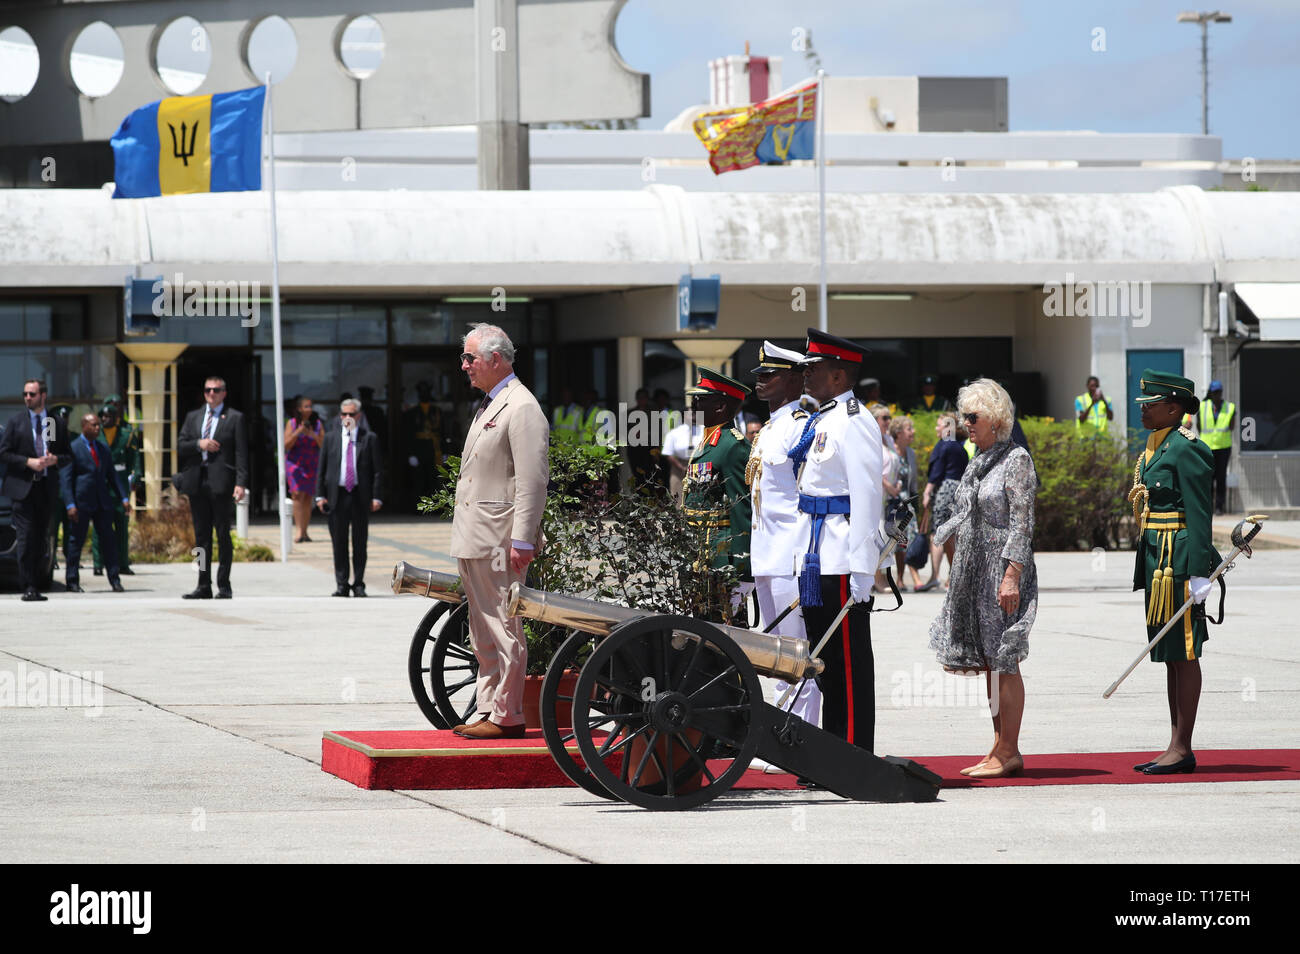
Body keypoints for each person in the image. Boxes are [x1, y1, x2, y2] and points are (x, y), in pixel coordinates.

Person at [928, 379, 1039, 779]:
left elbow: (1022, 523)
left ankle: (1008, 750)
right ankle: (999, 746)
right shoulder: (979, 460)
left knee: (1005, 660)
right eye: (964, 417)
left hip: (1003, 571)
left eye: (973, 417)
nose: (966, 424)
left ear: (996, 420)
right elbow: (966, 512)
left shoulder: (1016, 460)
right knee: (991, 661)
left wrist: (1012, 574)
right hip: (976, 571)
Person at [449, 324, 549, 740]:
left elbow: (533, 479)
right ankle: (489, 708)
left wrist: (523, 539)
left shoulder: (521, 406)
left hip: (500, 538)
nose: (465, 365)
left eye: (471, 358)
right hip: (477, 534)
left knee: (504, 627)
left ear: (496, 359)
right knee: (482, 626)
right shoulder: (492, 402)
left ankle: (507, 715)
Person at [792, 329, 883, 753]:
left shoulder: (855, 422)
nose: (806, 375)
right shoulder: (824, 418)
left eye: (815, 369)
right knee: (825, 663)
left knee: (848, 664)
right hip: (815, 557)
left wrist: (864, 570)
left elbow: (866, 499)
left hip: (842, 559)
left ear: (838, 375)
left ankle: (852, 752)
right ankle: (833, 750)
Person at [1129, 370, 1218, 775]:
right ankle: (1174, 743)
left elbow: (1200, 515)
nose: (1144, 410)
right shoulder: (1155, 445)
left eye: (1151, 404)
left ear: (1174, 407)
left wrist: (1200, 574)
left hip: (1179, 563)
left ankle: (1182, 746)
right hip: (1157, 561)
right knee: (1169, 653)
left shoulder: (1186, 449)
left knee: (1184, 651)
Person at [746, 342, 821, 729]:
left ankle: (802, 733)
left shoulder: (803, 427)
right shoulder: (771, 429)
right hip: (766, 555)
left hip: (791, 557)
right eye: (759, 376)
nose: (761, 383)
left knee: (796, 652)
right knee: (774, 653)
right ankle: (781, 733)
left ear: (793, 380)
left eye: (769, 376)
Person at [682, 368, 753, 621]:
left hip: (722, 555)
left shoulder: (733, 445)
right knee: (702, 622)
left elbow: (741, 510)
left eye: (702, 399)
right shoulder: (708, 441)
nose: (694, 404)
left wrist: (741, 570)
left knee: (725, 626)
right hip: (701, 553)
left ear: (722, 406)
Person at [176, 376, 248, 599]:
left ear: (224, 393)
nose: (211, 394)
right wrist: (200, 444)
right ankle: (202, 584)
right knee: (201, 538)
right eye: (208, 390)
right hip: (198, 481)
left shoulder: (235, 418)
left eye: (216, 390)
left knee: (223, 534)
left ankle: (224, 585)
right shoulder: (193, 417)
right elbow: (180, 445)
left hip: (221, 482)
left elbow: (241, 453)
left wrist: (241, 483)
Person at [0, 379, 71, 601]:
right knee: (25, 537)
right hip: (23, 489)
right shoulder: (16, 423)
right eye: (25, 394)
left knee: (40, 538)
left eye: (32, 394)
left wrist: (54, 459)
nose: (27, 398)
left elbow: (68, 456)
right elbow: (4, 454)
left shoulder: (54, 423)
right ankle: (28, 586)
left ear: (43, 396)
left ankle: (36, 583)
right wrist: (28, 462)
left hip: (45, 489)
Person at [315, 399, 383, 597]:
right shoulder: (330, 438)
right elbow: (322, 470)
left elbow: (377, 471)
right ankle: (342, 584)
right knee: (339, 542)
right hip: (337, 495)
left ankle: (359, 583)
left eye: (351, 414)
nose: (347, 418)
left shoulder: (369, 438)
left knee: (359, 542)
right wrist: (320, 495)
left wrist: (377, 497)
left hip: (360, 496)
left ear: (359, 416)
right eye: (343, 414)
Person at [60, 413, 130, 593]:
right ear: (84, 426)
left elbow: (112, 476)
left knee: (109, 542)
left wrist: (123, 498)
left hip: (102, 503)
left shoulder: (102, 448)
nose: (98, 428)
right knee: (76, 542)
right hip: (81, 503)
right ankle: (72, 581)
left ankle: (114, 579)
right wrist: (70, 504)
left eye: (98, 425)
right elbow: (66, 480)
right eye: (93, 425)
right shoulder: (73, 448)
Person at [918, 413, 969, 591]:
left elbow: (936, 472)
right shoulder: (959, 447)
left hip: (945, 489)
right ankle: (953, 577)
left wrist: (927, 492)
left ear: (949, 427)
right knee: (951, 535)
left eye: (940, 425)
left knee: (938, 533)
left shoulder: (944, 446)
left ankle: (934, 576)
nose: (937, 428)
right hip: (959, 491)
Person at [91, 402, 140, 577]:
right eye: (103, 417)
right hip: (101, 486)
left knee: (121, 526)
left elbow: (134, 457)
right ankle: (98, 563)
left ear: (116, 418)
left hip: (119, 486)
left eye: (109, 416)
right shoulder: (96, 437)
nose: (105, 420)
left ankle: (123, 563)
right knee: (99, 527)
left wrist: (136, 475)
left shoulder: (126, 435)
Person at [888, 414, 922, 591]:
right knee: (888, 543)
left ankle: (900, 579)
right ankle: (884, 579)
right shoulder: (888, 451)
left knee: (903, 543)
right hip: (890, 504)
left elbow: (913, 482)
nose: (913, 432)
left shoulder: (910, 453)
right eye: (909, 429)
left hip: (906, 504)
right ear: (898, 432)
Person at [285, 396, 324, 543]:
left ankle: (305, 532)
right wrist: (298, 431)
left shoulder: (318, 424)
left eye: (310, 406)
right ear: (299, 409)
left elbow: (323, 444)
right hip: (295, 464)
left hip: (311, 463)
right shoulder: (292, 423)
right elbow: (286, 444)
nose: (309, 409)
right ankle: (298, 531)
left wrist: (312, 434)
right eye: (306, 406)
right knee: (297, 495)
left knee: (307, 497)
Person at [1196, 380, 1235, 515]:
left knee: (1221, 478)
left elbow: (1232, 426)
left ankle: (1219, 507)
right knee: (1208, 478)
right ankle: (1209, 506)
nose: (1217, 395)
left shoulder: (1229, 407)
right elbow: (1199, 425)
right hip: (1207, 447)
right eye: (1214, 393)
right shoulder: (1203, 406)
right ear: (1210, 393)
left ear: (1221, 393)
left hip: (1223, 447)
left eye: (1219, 392)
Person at [401, 381, 442, 510]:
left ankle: (435, 508)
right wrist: (410, 454)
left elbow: (443, 432)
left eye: (426, 392)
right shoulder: (412, 412)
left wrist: (444, 451)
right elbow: (407, 435)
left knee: (433, 479)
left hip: (433, 449)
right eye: (422, 392)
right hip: (418, 449)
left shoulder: (437, 411)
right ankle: (417, 508)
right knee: (418, 480)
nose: (424, 394)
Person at [661, 413, 701, 506]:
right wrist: (681, 467)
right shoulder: (675, 433)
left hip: (699, 466)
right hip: (678, 468)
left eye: (695, 413)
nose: (693, 416)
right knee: (678, 498)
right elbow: (668, 453)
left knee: (698, 500)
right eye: (690, 413)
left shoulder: (704, 430)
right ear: (684, 416)